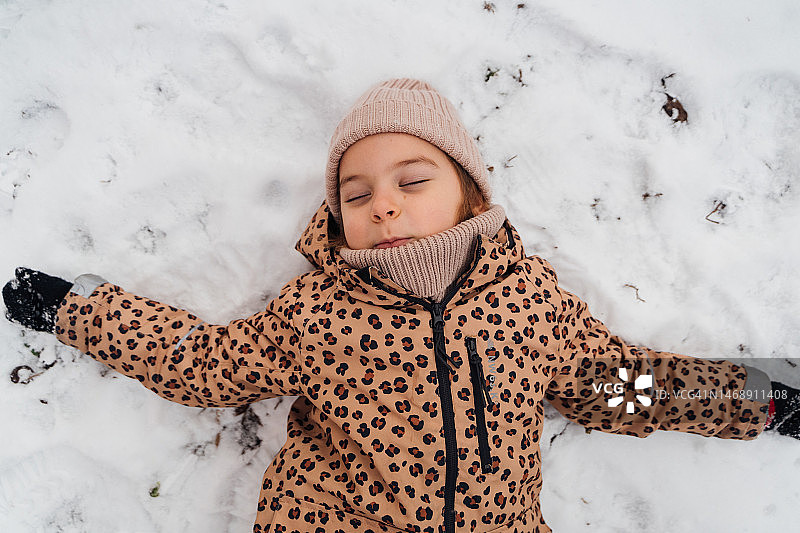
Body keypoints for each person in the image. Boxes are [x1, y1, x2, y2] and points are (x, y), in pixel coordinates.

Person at [4, 78, 800, 533]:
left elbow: (619, 384)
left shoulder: (527, 301)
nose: (383, 204)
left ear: (467, 194)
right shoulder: (317, 309)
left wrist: (762, 397)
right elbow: (209, 365)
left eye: (412, 181)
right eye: (357, 193)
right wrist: (78, 308)